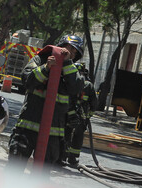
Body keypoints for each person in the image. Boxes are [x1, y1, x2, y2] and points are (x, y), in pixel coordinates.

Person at [8, 34, 85, 173]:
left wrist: (66, 63)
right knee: (14, 170)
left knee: (41, 176)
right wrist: (46, 68)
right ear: (61, 45)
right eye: (70, 48)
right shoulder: (40, 59)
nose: (71, 53)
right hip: (27, 127)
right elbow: (27, 80)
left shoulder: (73, 69)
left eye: (75, 52)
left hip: (52, 133)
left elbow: (76, 88)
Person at [62, 62, 97, 167]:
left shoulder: (68, 83)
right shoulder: (88, 86)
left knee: (66, 135)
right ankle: (72, 159)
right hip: (80, 117)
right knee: (77, 137)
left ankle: (63, 156)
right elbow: (94, 104)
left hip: (68, 115)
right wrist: (87, 117)